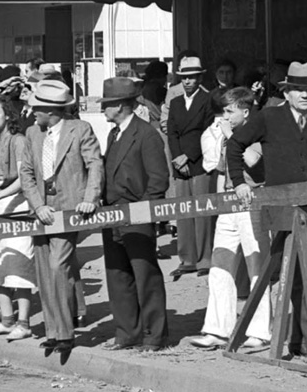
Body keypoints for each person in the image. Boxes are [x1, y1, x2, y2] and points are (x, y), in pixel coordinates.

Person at [226, 62, 307, 359]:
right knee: (289, 275)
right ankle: (306, 340)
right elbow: (234, 145)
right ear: (288, 92)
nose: (305, 96)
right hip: (281, 209)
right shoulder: (269, 117)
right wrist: (238, 183)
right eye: (299, 90)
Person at [19, 79, 103, 353]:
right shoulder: (33, 133)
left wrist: (90, 198)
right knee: (44, 273)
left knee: (59, 267)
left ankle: (66, 333)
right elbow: (27, 173)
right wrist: (37, 205)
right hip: (41, 211)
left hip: (70, 209)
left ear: (50, 110)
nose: (32, 112)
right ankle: (53, 331)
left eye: (35, 108)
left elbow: (94, 164)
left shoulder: (80, 129)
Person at [185, 86, 271, 351]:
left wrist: (231, 136)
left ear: (245, 111)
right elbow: (217, 166)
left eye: (230, 111)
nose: (225, 115)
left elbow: (251, 161)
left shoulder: (257, 132)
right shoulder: (225, 133)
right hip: (227, 203)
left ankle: (260, 331)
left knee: (257, 265)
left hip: (252, 203)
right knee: (220, 265)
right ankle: (217, 329)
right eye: (224, 110)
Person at [99, 77, 171, 350]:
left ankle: (155, 336)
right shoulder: (113, 133)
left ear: (120, 105)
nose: (104, 109)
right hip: (112, 215)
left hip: (137, 213)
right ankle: (127, 333)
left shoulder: (146, 134)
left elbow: (159, 179)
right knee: (118, 276)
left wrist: (144, 212)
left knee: (145, 275)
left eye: (107, 104)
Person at [0, 93, 36, 342]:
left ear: (7, 115)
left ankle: (24, 322)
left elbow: (25, 179)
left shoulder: (18, 140)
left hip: (19, 207)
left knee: (18, 265)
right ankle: (7, 319)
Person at [166, 54, 215, 279]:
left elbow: (208, 131)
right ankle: (186, 259)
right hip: (180, 163)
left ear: (199, 78)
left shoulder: (208, 100)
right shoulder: (175, 102)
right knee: (183, 211)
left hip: (199, 161)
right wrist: (177, 157)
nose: (187, 82)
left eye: (192, 77)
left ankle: (205, 259)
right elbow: (172, 132)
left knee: (202, 211)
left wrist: (188, 156)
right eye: (184, 78)